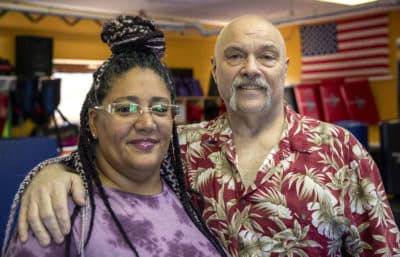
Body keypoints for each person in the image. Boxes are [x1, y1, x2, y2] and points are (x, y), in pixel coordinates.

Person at [10, 15, 400, 257]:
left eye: (266, 56)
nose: (250, 68)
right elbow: (110, 163)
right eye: (235, 56)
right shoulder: (178, 148)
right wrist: (54, 171)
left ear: (284, 67)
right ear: (215, 69)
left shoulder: (340, 150)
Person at [1, 15, 228, 257]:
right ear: (94, 122)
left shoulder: (190, 196)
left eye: (160, 109)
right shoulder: (60, 212)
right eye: (125, 109)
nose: (147, 123)